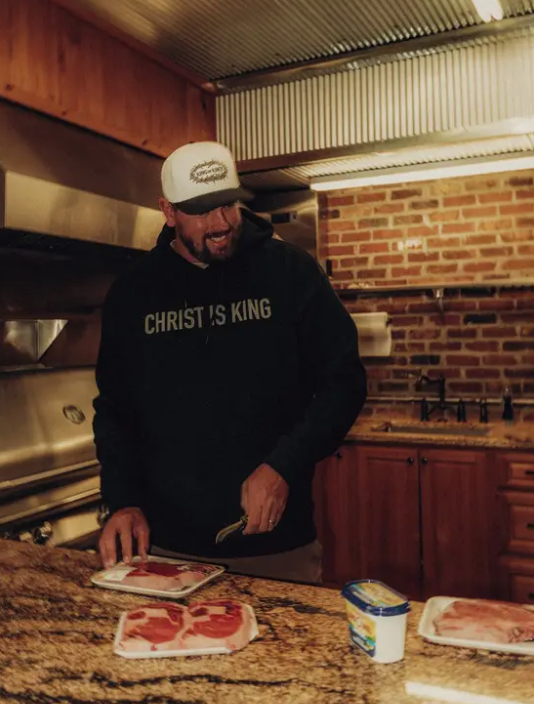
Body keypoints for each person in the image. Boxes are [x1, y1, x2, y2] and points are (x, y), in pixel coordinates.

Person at [93, 141, 367, 583]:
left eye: (228, 205)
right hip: (165, 550)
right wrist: (123, 500)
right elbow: (115, 410)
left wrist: (283, 466)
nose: (220, 224)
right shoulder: (134, 294)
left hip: (274, 549)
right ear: (168, 211)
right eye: (202, 211)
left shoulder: (291, 272)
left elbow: (344, 382)